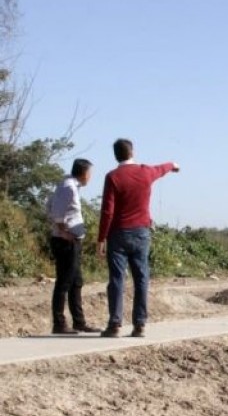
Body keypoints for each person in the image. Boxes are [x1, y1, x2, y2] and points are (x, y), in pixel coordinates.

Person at [97, 138, 180, 337]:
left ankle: (115, 324)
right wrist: (174, 165)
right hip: (141, 232)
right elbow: (162, 168)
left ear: (116, 155)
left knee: (117, 278)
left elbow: (107, 211)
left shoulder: (112, 177)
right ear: (132, 151)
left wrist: (101, 238)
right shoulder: (146, 172)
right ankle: (140, 324)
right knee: (141, 277)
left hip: (118, 233)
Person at [46, 158, 100, 335]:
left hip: (72, 240)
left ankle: (79, 321)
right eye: (90, 173)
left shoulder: (70, 185)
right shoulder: (68, 187)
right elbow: (56, 212)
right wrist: (64, 232)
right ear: (84, 173)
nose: (90, 177)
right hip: (65, 241)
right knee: (64, 281)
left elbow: (51, 206)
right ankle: (59, 323)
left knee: (76, 282)